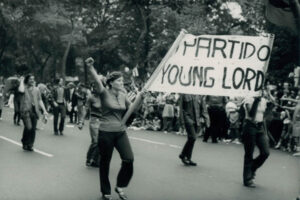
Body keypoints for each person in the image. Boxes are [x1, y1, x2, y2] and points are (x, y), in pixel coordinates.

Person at [86, 57, 144, 200]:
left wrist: (141, 98)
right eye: (118, 80)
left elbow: (132, 109)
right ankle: (105, 191)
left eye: (122, 80)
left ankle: (120, 185)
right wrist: (90, 67)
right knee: (105, 163)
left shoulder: (123, 94)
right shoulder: (104, 92)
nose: (121, 82)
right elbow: (97, 81)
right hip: (105, 132)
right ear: (111, 83)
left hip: (120, 132)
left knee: (129, 159)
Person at [242, 91, 270, 188]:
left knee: (265, 152)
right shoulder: (248, 98)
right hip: (250, 126)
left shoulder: (264, 100)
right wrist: (256, 101)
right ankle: (247, 179)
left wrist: (266, 133)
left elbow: (263, 117)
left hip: (260, 127)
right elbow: (251, 114)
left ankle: (252, 168)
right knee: (249, 153)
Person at [178, 94, 210, 166]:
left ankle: (187, 158)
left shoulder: (199, 95)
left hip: (196, 120)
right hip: (188, 119)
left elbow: (204, 109)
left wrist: (207, 120)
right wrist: (182, 122)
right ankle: (183, 154)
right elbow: (181, 108)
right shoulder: (184, 94)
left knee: (191, 138)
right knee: (193, 137)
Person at [18, 74, 48, 151]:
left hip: (35, 111)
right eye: (30, 79)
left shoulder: (36, 89)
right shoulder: (23, 88)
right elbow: (20, 90)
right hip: (25, 111)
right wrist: (21, 80)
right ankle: (24, 141)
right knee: (29, 127)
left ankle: (30, 144)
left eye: (33, 79)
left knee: (33, 129)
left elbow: (39, 100)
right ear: (27, 80)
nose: (32, 80)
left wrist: (44, 110)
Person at [85, 83, 102, 167]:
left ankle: (96, 160)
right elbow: (86, 109)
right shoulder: (91, 97)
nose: (96, 88)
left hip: (103, 121)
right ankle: (89, 158)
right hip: (94, 120)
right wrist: (80, 121)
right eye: (95, 86)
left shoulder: (104, 96)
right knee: (95, 141)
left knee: (102, 141)